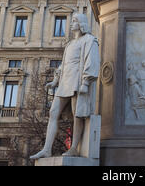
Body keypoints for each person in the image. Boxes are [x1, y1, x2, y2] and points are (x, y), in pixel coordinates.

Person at [30, 13, 99, 159]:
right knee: (53, 112)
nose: (71, 24)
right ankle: (47, 149)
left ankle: (74, 148)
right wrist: (55, 80)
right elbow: (63, 65)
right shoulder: (69, 44)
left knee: (77, 115)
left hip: (77, 82)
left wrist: (86, 82)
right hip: (65, 83)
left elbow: (91, 61)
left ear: (81, 24)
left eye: (74, 21)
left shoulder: (89, 40)